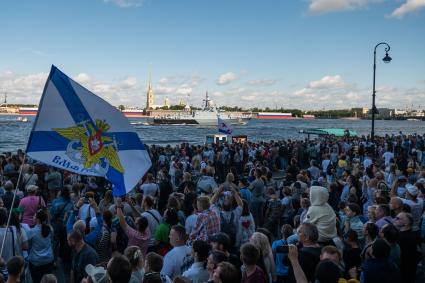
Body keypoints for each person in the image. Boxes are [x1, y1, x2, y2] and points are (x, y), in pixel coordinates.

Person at [27, 209, 54, 283]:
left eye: (34, 216)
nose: (33, 217)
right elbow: (52, 241)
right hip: (48, 259)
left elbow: (28, 246)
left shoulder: (31, 231)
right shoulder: (50, 229)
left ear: (38, 219)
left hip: (36, 261)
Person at [394, 212, 419, 283]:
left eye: (398, 218)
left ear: (406, 223)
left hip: (404, 270)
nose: (395, 219)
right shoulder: (410, 234)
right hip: (410, 269)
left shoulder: (403, 237)